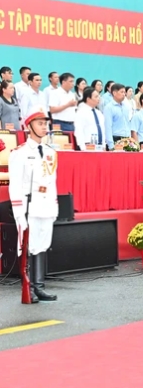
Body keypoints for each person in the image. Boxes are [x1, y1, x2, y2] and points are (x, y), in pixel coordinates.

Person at [9, 107, 59, 303]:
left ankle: (38, 286)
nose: (44, 127)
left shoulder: (50, 153)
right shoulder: (19, 153)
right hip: (29, 206)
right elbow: (15, 184)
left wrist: (54, 208)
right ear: (29, 126)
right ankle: (27, 286)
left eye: (45, 123)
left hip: (46, 206)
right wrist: (19, 212)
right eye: (39, 123)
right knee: (27, 247)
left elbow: (51, 181)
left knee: (42, 245)